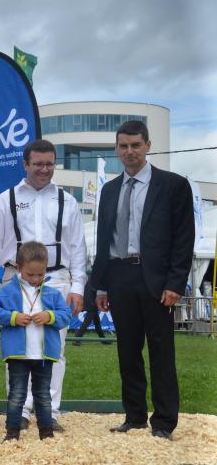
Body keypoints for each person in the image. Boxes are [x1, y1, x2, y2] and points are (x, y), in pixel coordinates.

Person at [92, 120, 194, 439]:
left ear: (148, 145)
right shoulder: (109, 190)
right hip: (120, 278)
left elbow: (183, 238)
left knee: (161, 354)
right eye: (123, 145)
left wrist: (176, 283)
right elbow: (104, 240)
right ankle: (134, 416)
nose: (129, 151)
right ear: (116, 149)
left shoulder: (174, 185)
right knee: (128, 352)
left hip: (158, 281)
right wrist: (103, 284)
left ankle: (163, 422)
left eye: (136, 145)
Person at [0, 138, 86, 431]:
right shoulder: (6, 199)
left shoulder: (67, 200)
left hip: (57, 281)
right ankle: (21, 411)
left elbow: (78, 248)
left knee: (55, 348)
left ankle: (49, 411)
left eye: (49, 164)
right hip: (15, 279)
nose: (44, 169)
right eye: (38, 164)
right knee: (18, 344)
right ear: (25, 164)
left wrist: (78, 287)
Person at [0, 241, 72, 442]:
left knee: (43, 396)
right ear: (19, 268)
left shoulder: (53, 293)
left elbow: (66, 315)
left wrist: (50, 316)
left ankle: (46, 433)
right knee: (17, 395)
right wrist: (13, 317)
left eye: (40, 275)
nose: (35, 279)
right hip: (18, 355)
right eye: (30, 274)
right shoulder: (7, 291)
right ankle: (12, 434)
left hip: (44, 355)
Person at [72, 278, 111, 346]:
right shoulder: (95, 279)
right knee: (87, 322)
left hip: (91, 302)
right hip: (91, 303)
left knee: (97, 323)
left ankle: (103, 339)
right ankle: (76, 339)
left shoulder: (92, 278)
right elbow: (94, 291)